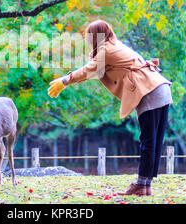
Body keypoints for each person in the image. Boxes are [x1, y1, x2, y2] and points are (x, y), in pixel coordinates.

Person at [48, 20, 173, 196]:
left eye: (89, 36)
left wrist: (65, 80)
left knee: (149, 141)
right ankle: (145, 185)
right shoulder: (114, 45)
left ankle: (141, 183)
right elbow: (95, 71)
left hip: (149, 90)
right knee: (153, 141)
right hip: (160, 87)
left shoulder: (106, 49)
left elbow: (88, 70)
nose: (87, 40)